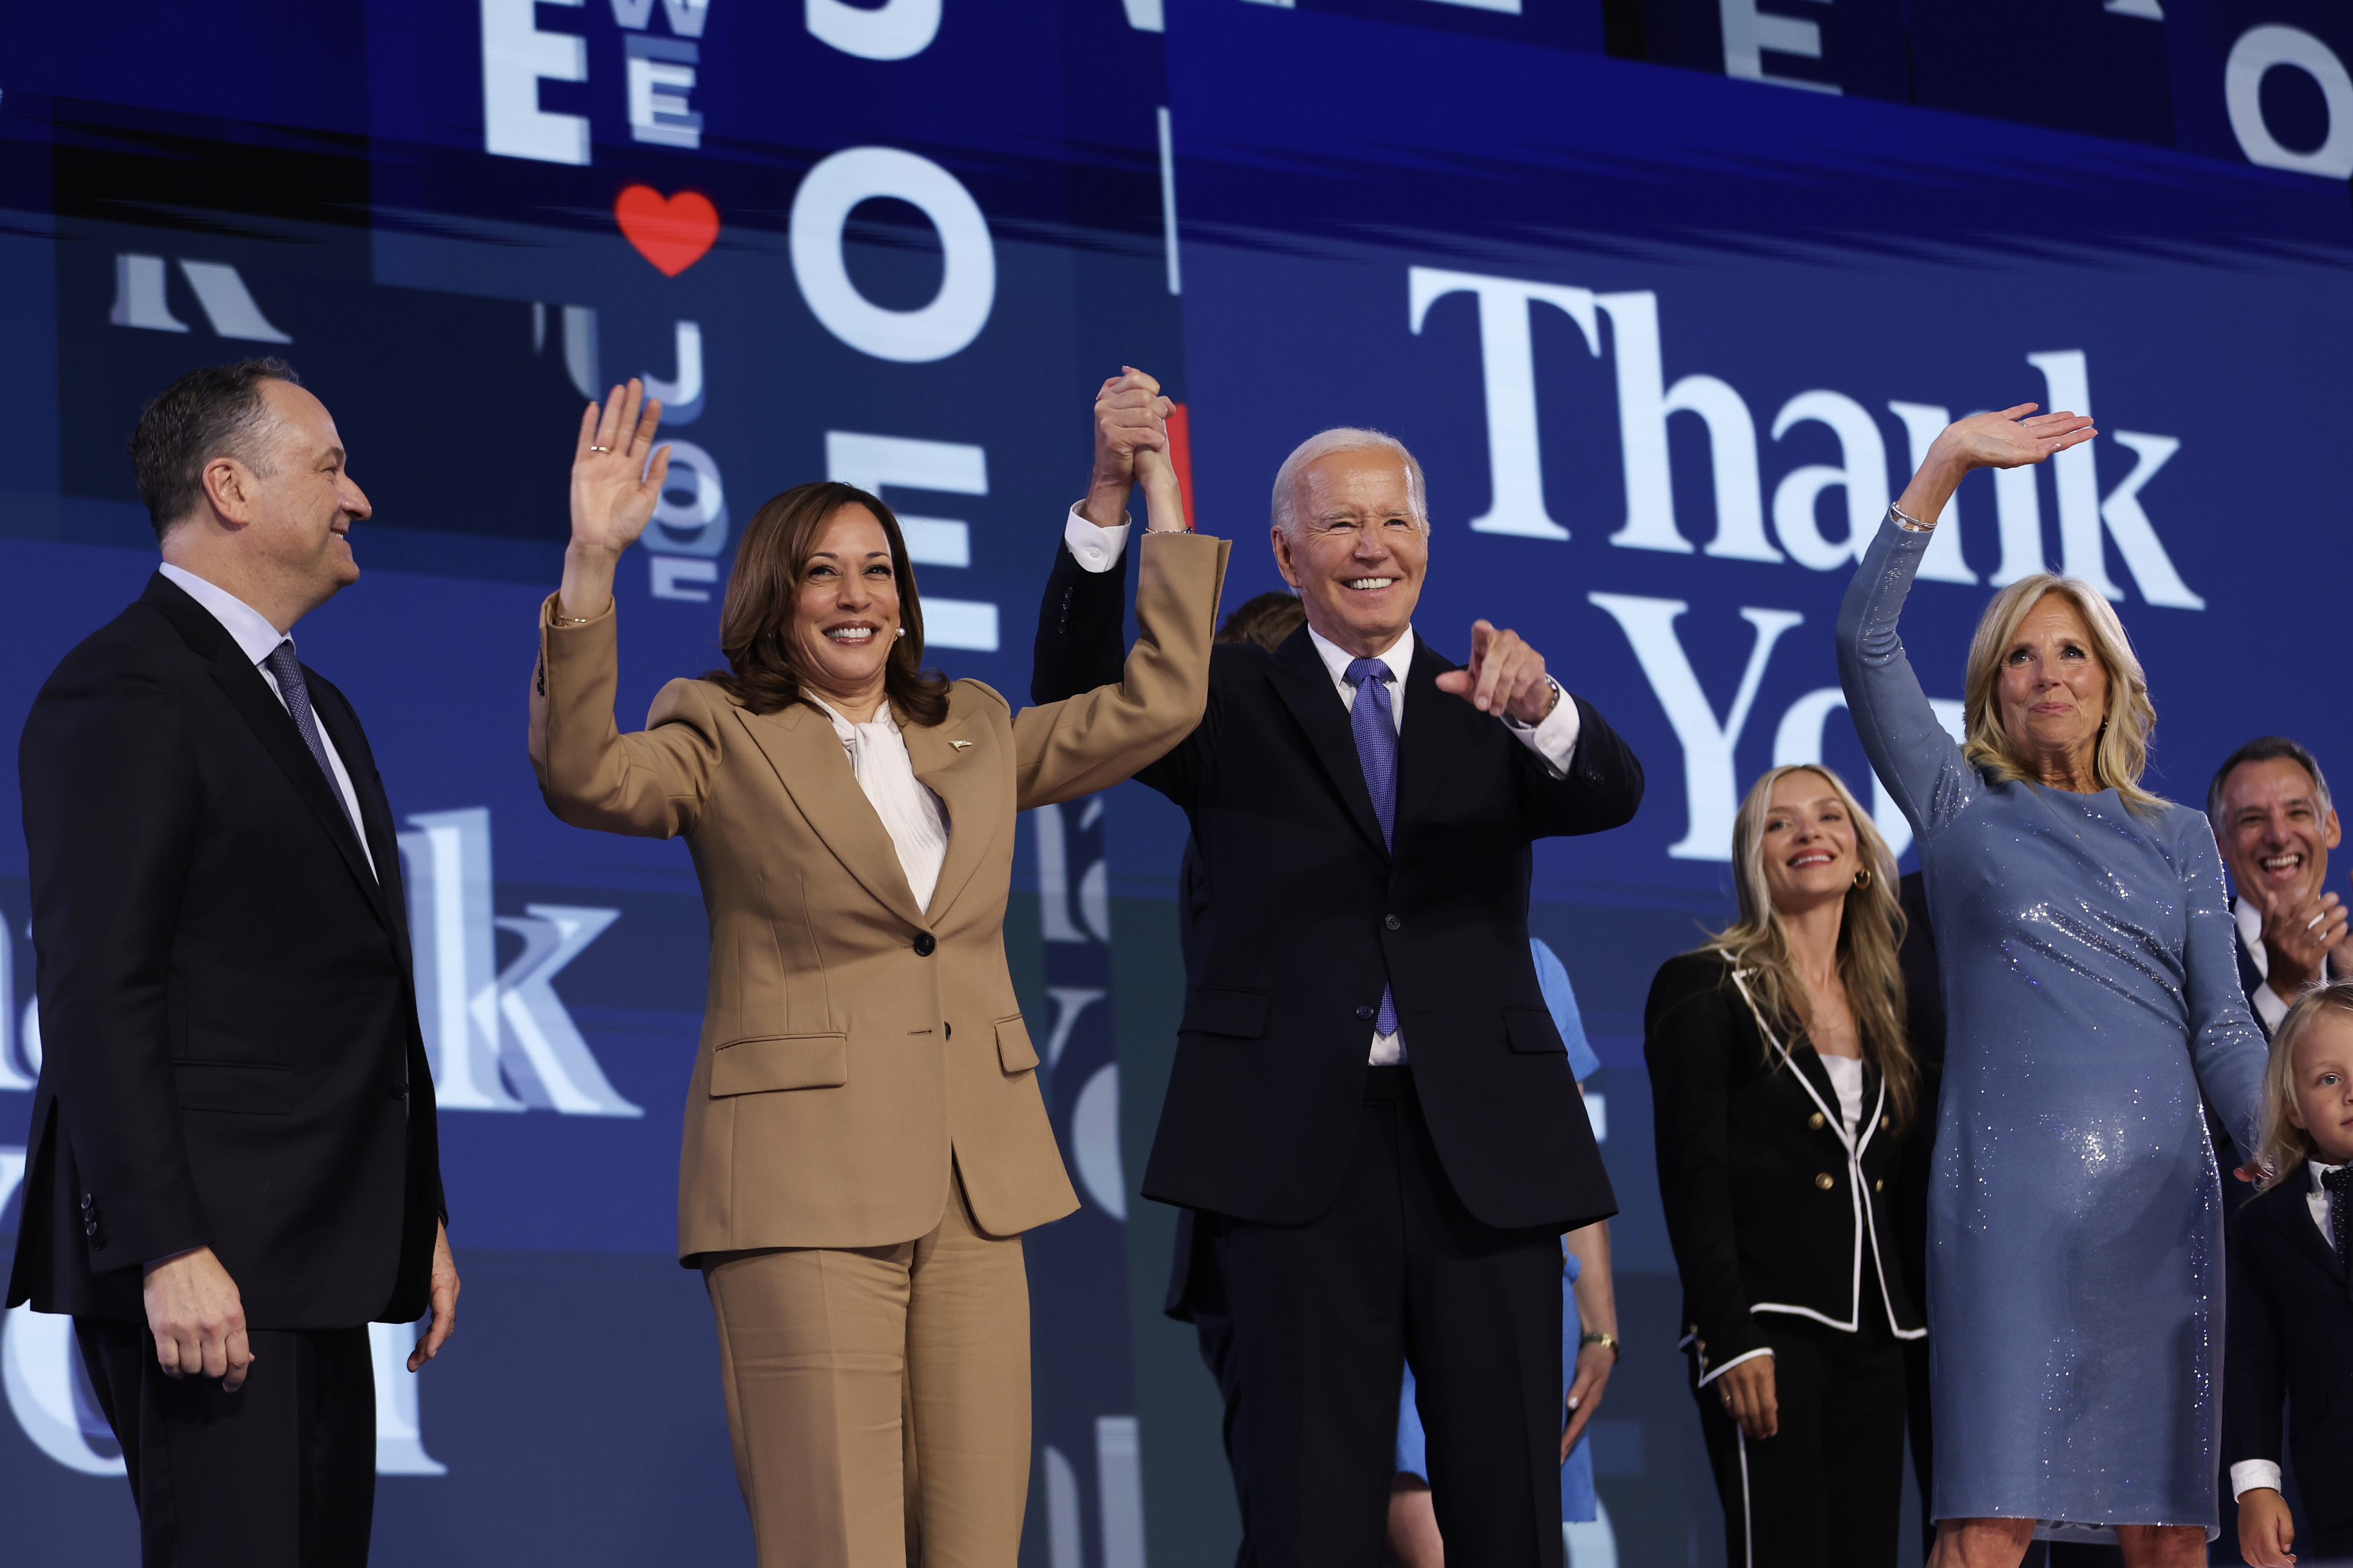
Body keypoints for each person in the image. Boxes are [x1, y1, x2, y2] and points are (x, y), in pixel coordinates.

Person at [529, 379, 1227, 1568]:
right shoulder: (713, 728)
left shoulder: (973, 726)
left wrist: (1147, 494)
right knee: (834, 1544)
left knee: (972, 1545)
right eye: (820, 572)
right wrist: (592, 566)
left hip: (974, 1183)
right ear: (770, 597)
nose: (856, 596)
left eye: (877, 570)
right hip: (801, 1192)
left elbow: (1162, 697)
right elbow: (585, 776)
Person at [1030, 366, 1644, 1568]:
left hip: (1482, 1152)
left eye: (1394, 519)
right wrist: (1110, 494)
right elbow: (1072, 693)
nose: (1373, 545)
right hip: (1293, 1151)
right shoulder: (1221, 696)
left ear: (1427, 540)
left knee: (1509, 1513)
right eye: (1340, 521)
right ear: (1283, 550)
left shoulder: (1490, 697)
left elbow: (1612, 793)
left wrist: (1546, 708)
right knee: (1310, 1515)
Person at [7, 359, 458, 1567]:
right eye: (329, 467)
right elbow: (102, 989)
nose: (357, 497)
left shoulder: (325, 710)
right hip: (205, 1265)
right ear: (231, 488)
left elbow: (356, 980)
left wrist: (420, 1210)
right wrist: (167, 1244)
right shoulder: (124, 686)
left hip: (314, 1255)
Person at [1837, 403, 2267, 1568]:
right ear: (1990, 685)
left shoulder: (2179, 835)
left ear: (2109, 675)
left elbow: (2220, 1021)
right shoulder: (1957, 804)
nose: (2043, 672)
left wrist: (2270, 1138)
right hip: (2004, 1207)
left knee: (2168, 1526)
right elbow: (1863, 642)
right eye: (2017, 654)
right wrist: (1942, 471)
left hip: (2156, 1200)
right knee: (1984, 1519)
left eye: (2067, 649)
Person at [1645, 764, 1923, 1568]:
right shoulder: (1702, 987)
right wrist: (1729, 1336)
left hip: (1879, 1332)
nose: (1808, 832)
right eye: (1779, 823)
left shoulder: (1892, 1008)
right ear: (1751, 862)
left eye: (1830, 816)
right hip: (1765, 1327)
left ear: (1863, 855)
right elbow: (1691, 1176)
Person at [1388, 939, 1619, 1568]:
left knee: (1509, 1531)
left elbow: (1565, 1145)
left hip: (1518, 1279)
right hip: (1395, 1278)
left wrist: (1599, 1328)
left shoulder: (1533, 956)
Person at [2227, 979, 2353, 1568]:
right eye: (2330, 1078)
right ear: (2295, 1107)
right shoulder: (2262, 1226)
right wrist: (2256, 1484)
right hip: (2335, 1486)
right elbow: (2252, 1364)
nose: (2352, 1091)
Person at [2208, 738, 2351, 1035]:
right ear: (2219, 843)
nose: (2279, 836)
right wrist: (2282, 995)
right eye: (2253, 819)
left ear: (2331, 827)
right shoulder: (2186, 965)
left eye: (2297, 813)